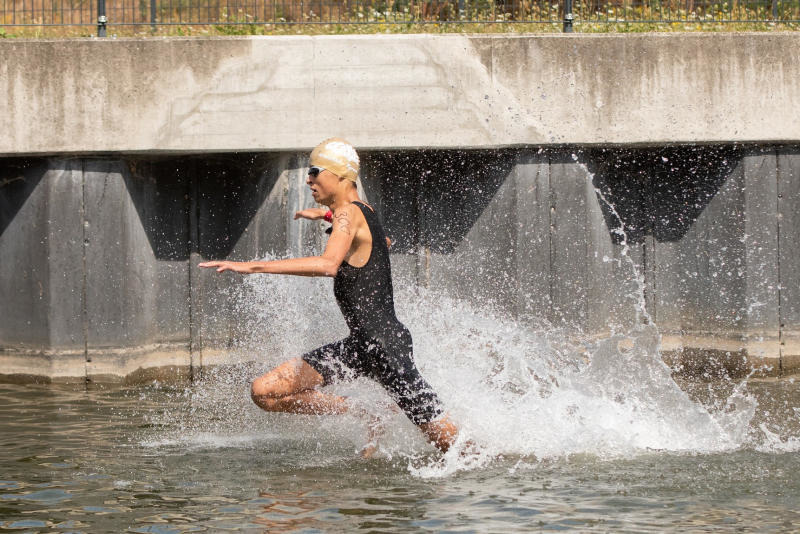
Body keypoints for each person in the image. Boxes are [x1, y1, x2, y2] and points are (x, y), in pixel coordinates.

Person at [199, 138, 459, 455]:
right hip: (360, 346)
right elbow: (382, 240)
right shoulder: (361, 212)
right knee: (264, 392)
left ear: (340, 176)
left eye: (315, 171)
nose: (308, 179)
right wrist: (327, 218)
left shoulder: (349, 214)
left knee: (455, 449)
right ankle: (365, 412)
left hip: (387, 350)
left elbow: (328, 265)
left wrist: (251, 266)